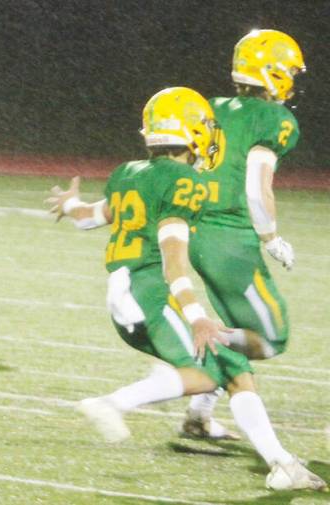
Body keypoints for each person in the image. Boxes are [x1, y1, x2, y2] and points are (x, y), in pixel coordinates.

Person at [48, 87, 325, 491]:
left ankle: (283, 465)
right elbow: (174, 264)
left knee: (234, 368)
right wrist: (198, 318)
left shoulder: (129, 171)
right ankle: (113, 403)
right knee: (202, 374)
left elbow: (92, 217)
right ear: (194, 131)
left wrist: (70, 204)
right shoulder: (184, 182)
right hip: (149, 295)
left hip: (125, 297)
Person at [180, 29, 307, 440]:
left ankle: (199, 411)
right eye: (287, 70)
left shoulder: (213, 108)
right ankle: (189, 353)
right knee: (272, 338)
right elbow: (256, 184)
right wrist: (270, 237)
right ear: (270, 72)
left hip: (197, 229)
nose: (291, 77)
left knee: (239, 325)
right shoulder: (274, 119)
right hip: (229, 238)